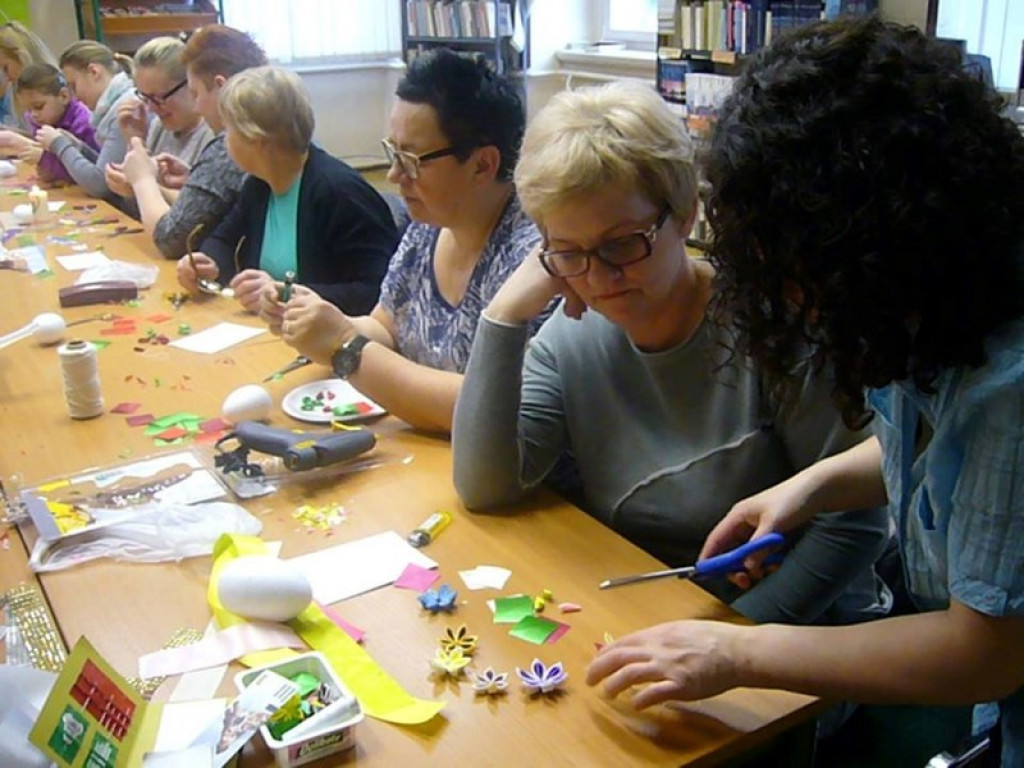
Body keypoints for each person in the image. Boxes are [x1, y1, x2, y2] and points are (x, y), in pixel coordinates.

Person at [585, 18, 1024, 766]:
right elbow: (940, 452)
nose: (794, 295)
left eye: (799, 266)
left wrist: (740, 654)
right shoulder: (933, 306)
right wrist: (811, 487)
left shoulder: (1008, 379)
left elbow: (985, 651)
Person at [452, 80, 891, 626]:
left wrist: (731, 643)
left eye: (622, 244)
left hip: (795, 636)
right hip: (657, 617)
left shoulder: (773, 326)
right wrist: (502, 316)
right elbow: (485, 488)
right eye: (567, 252)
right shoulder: (572, 338)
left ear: (684, 214)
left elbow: (855, 525)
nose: (599, 278)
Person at [260, 49, 543, 434]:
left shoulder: (535, 257)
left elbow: (491, 406)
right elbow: (387, 329)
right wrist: (321, 323)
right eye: (392, 152)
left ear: (483, 164)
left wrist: (344, 346)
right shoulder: (428, 224)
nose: (393, 175)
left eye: (411, 159)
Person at [176, 65, 396, 317]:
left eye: (229, 131)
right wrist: (208, 263)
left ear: (256, 140)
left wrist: (286, 294)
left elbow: (376, 293)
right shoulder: (259, 184)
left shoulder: (339, 193)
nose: (225, 141)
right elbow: (224, 239)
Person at [116, 25, 266, 259]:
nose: (197, 107)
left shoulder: (230, 146)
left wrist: (143, 180)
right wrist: (191, 183)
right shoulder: (257, 134)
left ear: (221, 86)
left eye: (196, 93)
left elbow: (170, 239)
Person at [105, 36, 213, 214]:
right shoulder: (158, 126)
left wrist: (141, 184)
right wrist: (135, 140)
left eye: (159, 98)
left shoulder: (213, 135)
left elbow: (195, 217)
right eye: (145, 97)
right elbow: (135, 211)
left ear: (190, 84)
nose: (151, 108)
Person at [54, 41, 135, 200]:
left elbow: (100, 185)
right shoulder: (112, 108)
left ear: (94, 71)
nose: (75, 97)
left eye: (74, 86)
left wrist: (59, 144)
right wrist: (79, 148)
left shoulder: (124, 108)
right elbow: (105, 168)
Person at [15, 63, 98, 185]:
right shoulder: (40, 120)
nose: (33, 115)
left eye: (38, 107)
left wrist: (45, 160)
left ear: (64, 96)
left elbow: (93, 172)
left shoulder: (84, 123)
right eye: (28, 109)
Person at [0, 21, 57, 149]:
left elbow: (52, 146)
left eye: (6, 68)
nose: (7, 78)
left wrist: (11, 139)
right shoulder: (16, 90)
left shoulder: (54, 92)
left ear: (21, 57)